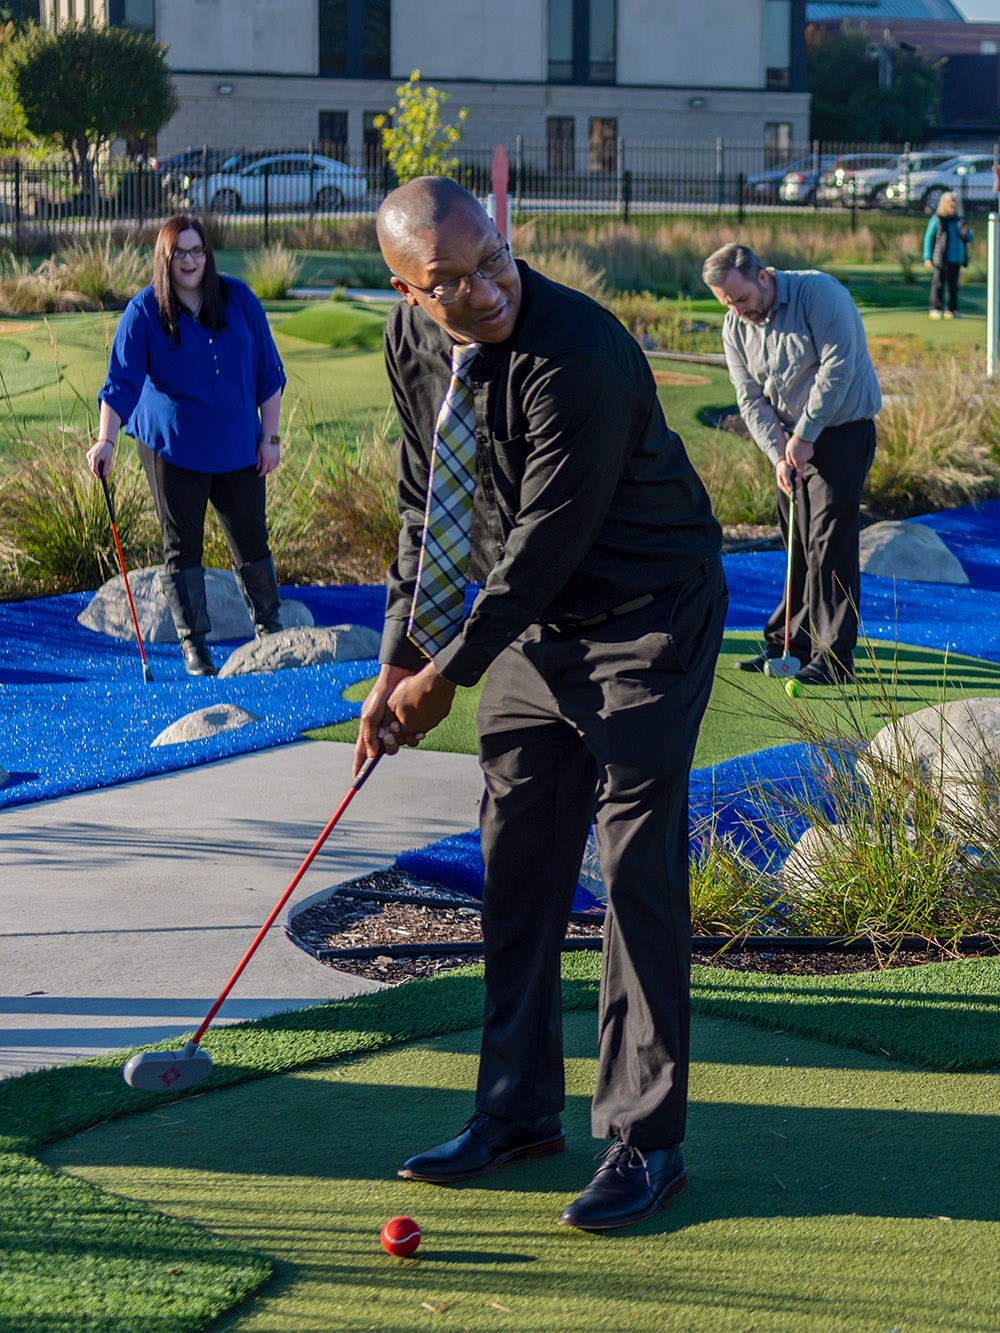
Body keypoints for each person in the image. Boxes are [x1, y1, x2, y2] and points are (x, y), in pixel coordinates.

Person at [356, 176, 728, 1232]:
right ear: (406, 289)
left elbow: (541, 545)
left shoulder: (582, 354)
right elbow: (425, 500)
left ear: (504, 236)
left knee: (633, 868)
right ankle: (515, 1110)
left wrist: (444, 675)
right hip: (532, 627)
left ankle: (645, 1140)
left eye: (493, 261)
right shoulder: (410, 340)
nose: (484, 290)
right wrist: (396, 658)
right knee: (515, 861)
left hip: (644, 615)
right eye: (450, 284)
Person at [86, 213, 286, 676]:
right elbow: (119, 385)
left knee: (251, 535)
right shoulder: (143, 311)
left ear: (207, 255)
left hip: (238, 443)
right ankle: (194, 646)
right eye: (180, 252)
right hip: (172, 447)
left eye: (198, 251)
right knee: (183, 544)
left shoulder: (239, 300)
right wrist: (105, 441)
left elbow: (268, 375)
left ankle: (271, 629)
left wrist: (270, 437)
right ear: (165, 258)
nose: (190, 260)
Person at [702, 242, 881, 686]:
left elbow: (837, 367)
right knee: (797, 542)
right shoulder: (735, 325)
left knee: (829, 543)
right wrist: (778, 451)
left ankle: (834, 658)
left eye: (741, 298)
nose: (738, 310)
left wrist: (805, 436)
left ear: (763, 276)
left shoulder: (818, 293)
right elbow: (749, 397)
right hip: (789, 443)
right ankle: (791, 645)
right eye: (727, 303)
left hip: (841, 430)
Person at [923, 192, 972, 320]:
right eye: (950, 202)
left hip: (956, 259)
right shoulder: (938, 219)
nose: (952, 204)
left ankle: (952, 309)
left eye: (954, 202)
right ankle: (936, 308)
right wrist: (927, 257)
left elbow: (969, 237)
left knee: (954, 285)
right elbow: (929, 237)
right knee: (938, 284)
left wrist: (965, 233)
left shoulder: (960, 221)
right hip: (941, 258)